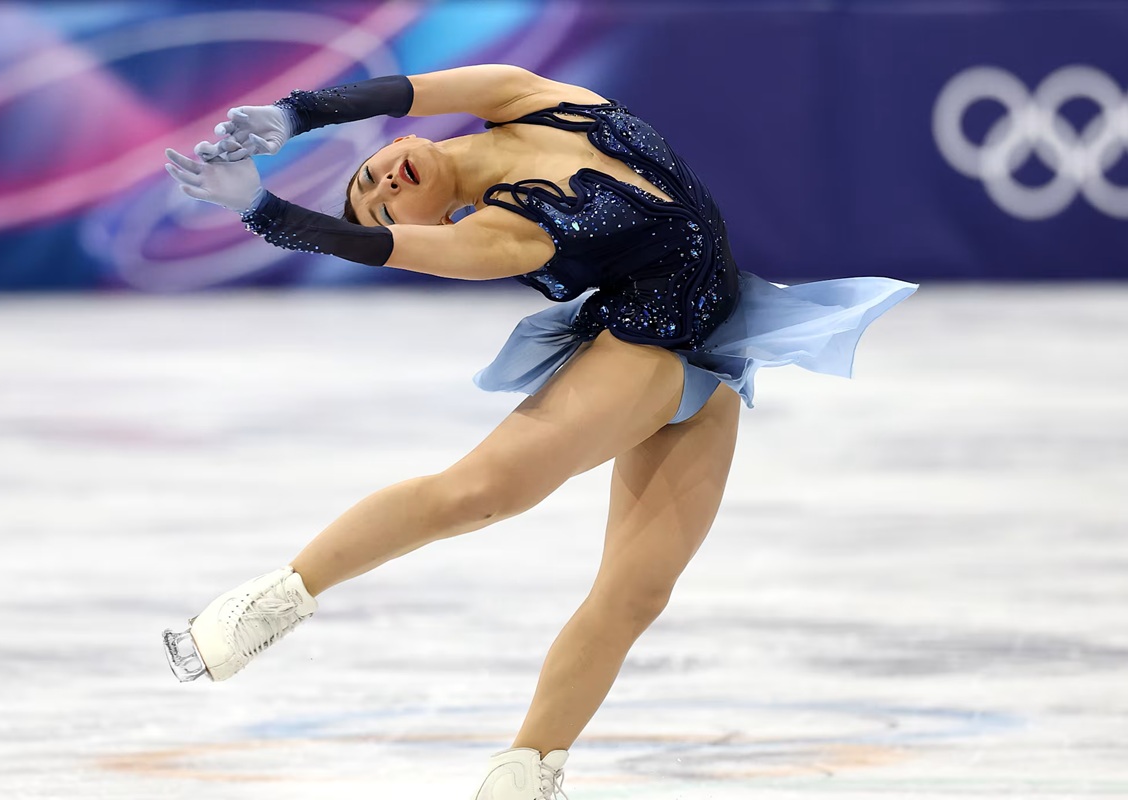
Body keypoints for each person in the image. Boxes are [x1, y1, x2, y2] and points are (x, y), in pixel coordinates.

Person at [162, 64, 916, 800]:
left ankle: (524, 775)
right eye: (383, 205)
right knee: (481, 493)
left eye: (372, 176)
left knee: (637, 593)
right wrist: (263, 209)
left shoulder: (529, 98)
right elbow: (380, 246)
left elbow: (407, 90)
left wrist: (295, 114)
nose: (386, 187)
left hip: (719, 355)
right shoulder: (502, 236)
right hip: (645, 353)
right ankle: (267, 604)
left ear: (390, 147)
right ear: (429, 224)